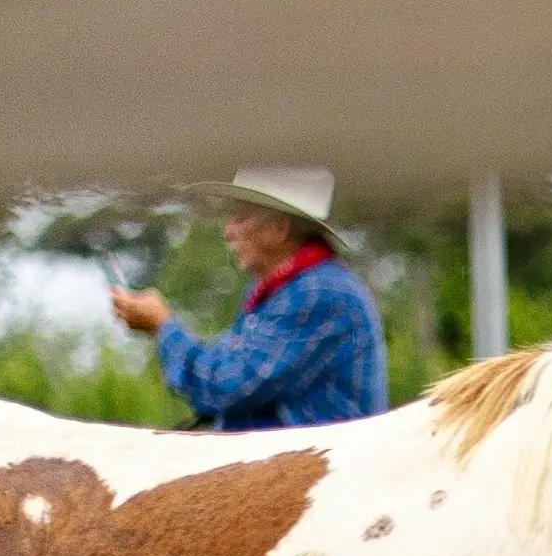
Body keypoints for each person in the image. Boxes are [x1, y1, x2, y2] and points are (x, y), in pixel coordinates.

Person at [109, 166, 385, 430]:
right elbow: (228, 369)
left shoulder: (318, 293)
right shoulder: (284, 288)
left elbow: (227, 387)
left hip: (319, 473)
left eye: (240, 218)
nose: (228, 232)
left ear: (279, 227)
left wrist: (163, 327)